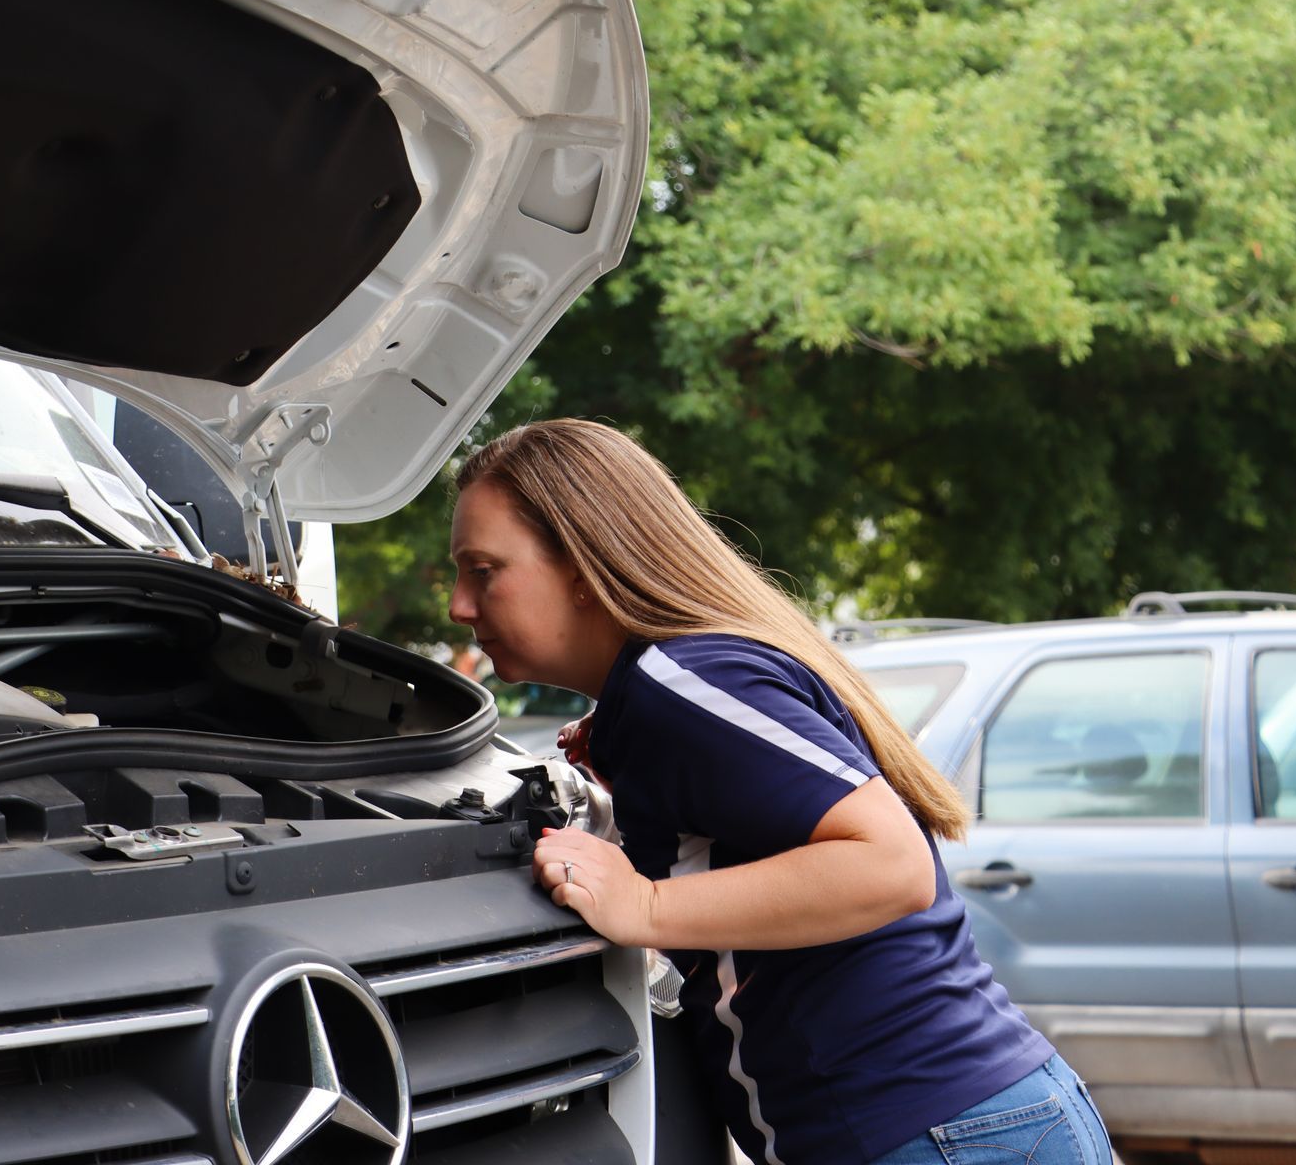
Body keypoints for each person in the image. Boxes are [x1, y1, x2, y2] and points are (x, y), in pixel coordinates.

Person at [446, 418, 1113, 1165]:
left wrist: (648, 906)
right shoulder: (663, 691)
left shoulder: (682, 682)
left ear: (580, 564)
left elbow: (892, 866)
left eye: (483, 570)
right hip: (958, 1128)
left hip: (935, 1138)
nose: (458, 607)